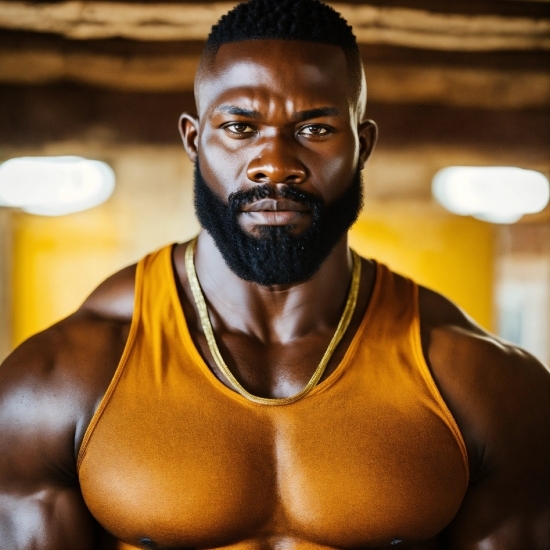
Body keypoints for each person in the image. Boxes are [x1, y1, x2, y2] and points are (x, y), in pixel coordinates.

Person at [1, 0, 549, 548]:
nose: (275, 163)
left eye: (315, 128)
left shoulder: (484, 386)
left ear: (363, 146)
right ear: (194, 140)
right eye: (240, 127)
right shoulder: (56, 383)